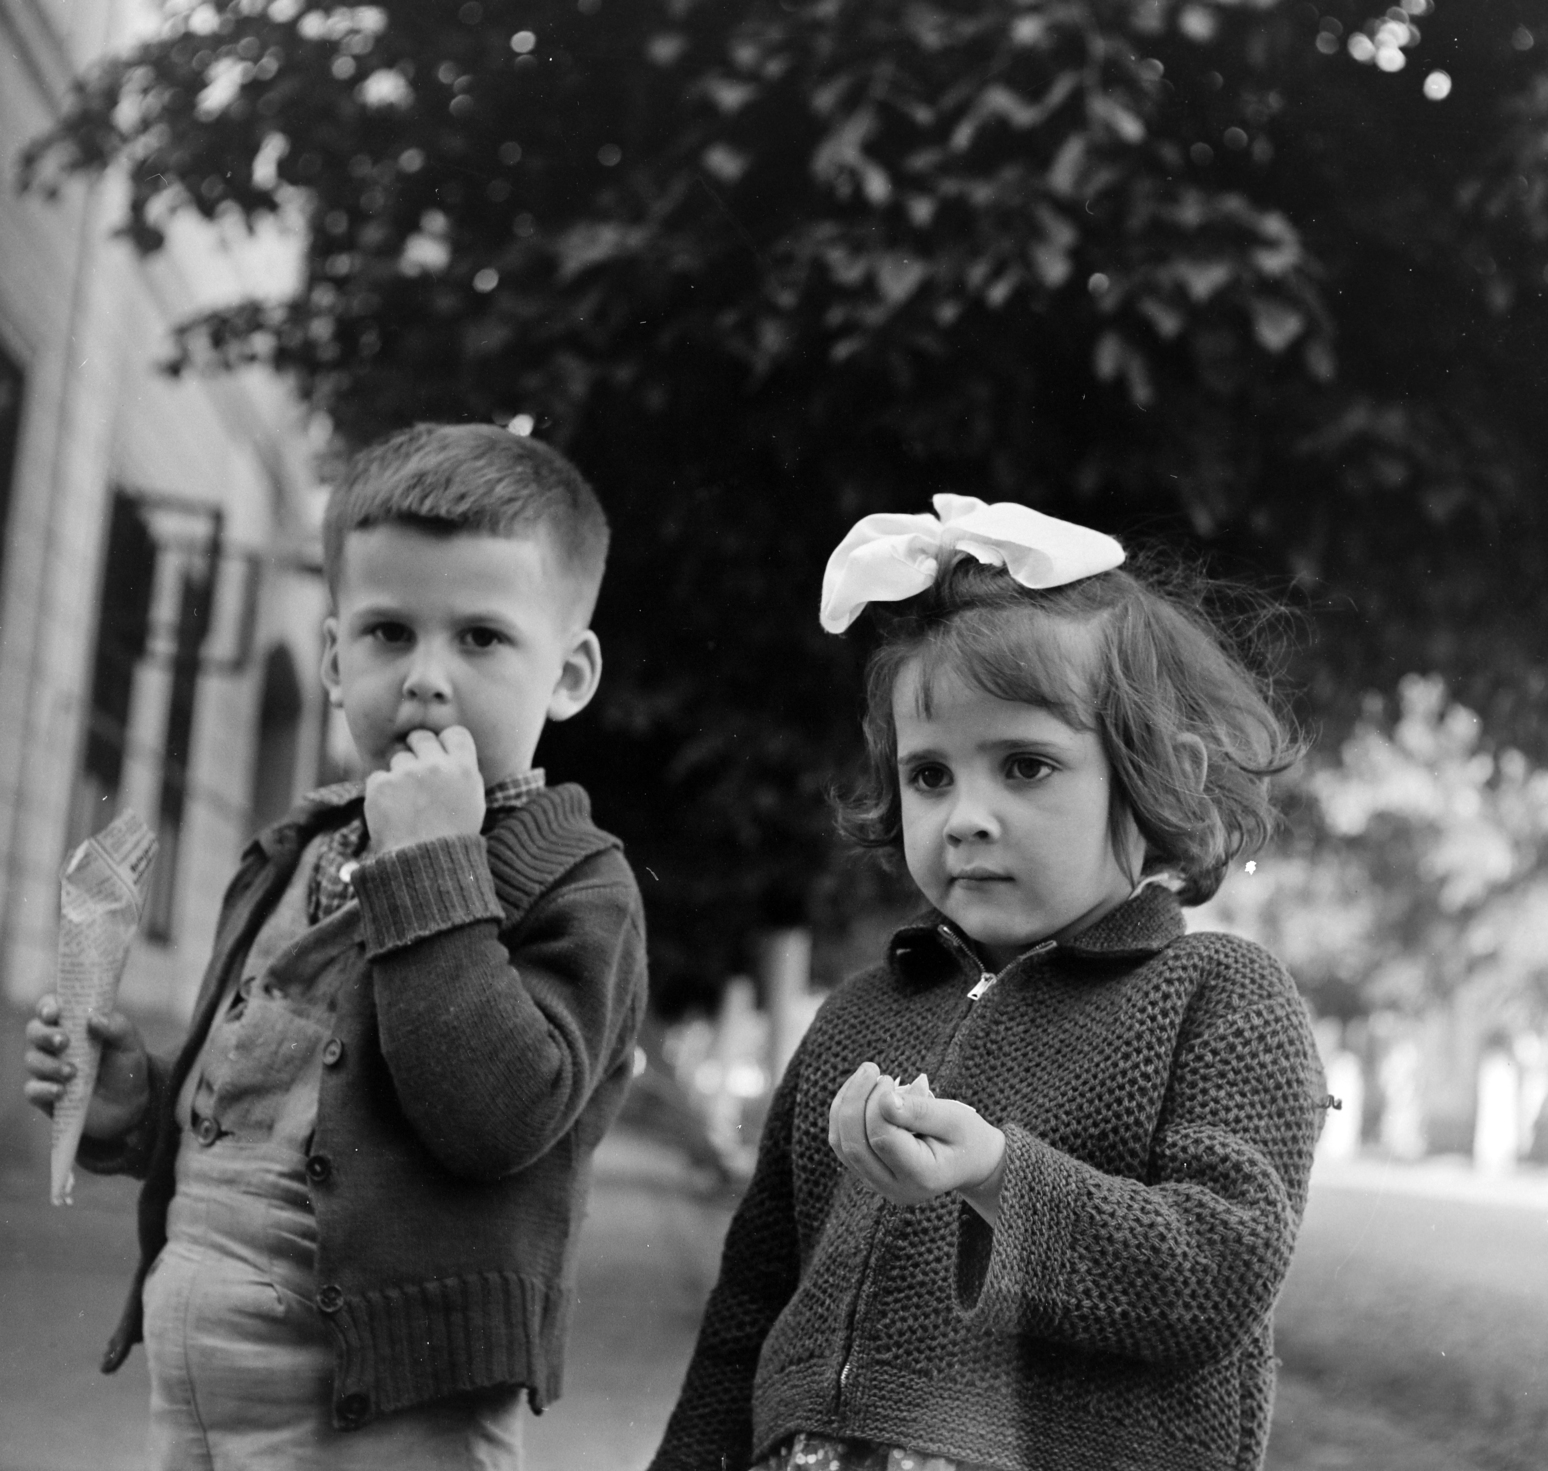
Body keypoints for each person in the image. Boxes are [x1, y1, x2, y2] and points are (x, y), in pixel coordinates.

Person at [649, 496, 1325, 1471]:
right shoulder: (856, 1016)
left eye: (1024, 764)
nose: (966, 815)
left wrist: (995, 1177)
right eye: (929, 776)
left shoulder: (1219, 997)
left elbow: (1218, 1272)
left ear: (1152, 776)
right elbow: (750, 1303)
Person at [23, 423, 648, 1469]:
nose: (426, 678)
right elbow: (285, 1096)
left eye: (483, 638)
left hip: (392, 1399)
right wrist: (145, 1109)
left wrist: (432, 872)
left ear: (570, 673)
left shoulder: (576, 881)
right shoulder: (294, 847)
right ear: (331, 656)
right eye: (388, 633)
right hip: (203, 1370)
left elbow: (497, 1119)